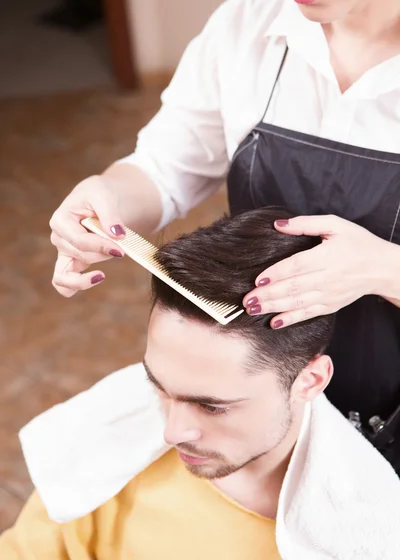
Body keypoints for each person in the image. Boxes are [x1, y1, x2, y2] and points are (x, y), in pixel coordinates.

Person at [48, 0, 400, 469]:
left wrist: (381, 269)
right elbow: (164, 167)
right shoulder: (249, 24)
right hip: (267, 409)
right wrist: (107, 195)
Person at [4, 209, 400, 560]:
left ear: (310, 381)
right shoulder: (109, 452)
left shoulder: (361, 536)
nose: (172, 432)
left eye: (211, 406)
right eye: (157, 385)